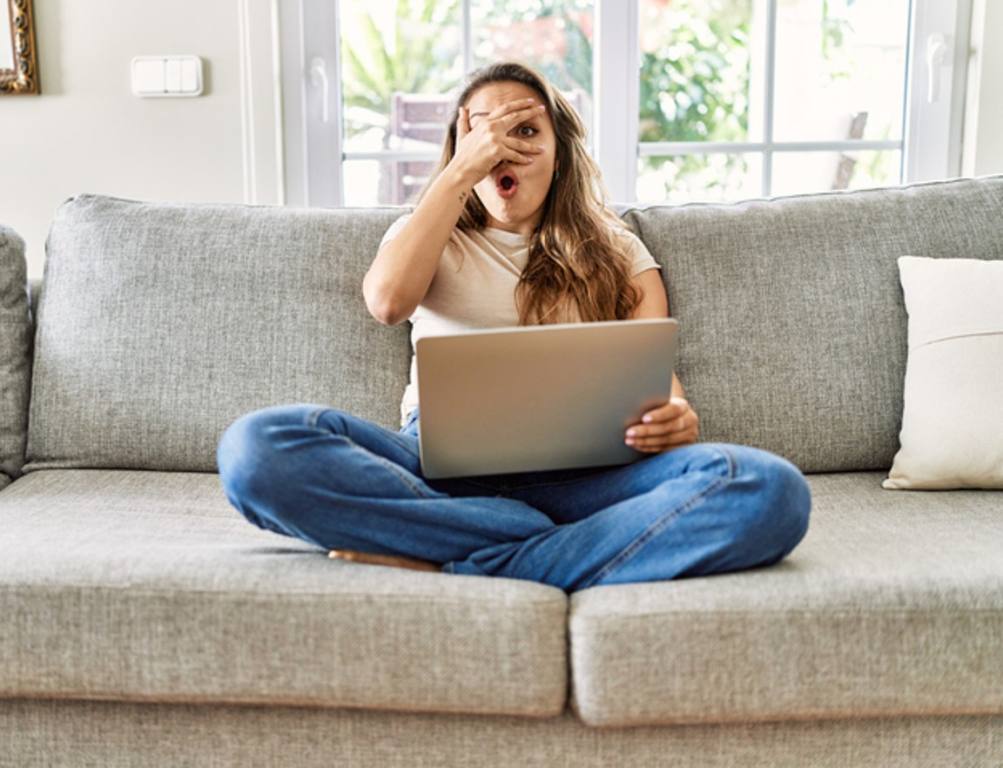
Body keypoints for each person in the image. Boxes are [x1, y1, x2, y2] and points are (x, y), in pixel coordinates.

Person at [216, 61, 811, 593]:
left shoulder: (618, 250)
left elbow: (662, 388)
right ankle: (540, 539)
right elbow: (388, 303)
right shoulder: (428, 233)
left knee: (765, 487)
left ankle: (461, 561)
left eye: (525, 129)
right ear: (459, 147)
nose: (502, 146)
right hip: (435, 469)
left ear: (559, 152)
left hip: (590, 478)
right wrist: (454, 177)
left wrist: (674, 421)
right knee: (256, 448)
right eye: (482, 130)